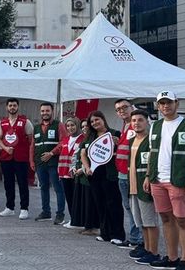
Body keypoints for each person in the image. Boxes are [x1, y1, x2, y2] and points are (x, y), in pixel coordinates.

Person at [145, 91, 185, 270]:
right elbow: (152, 152)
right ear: (158, 106)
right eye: (162, 103)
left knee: (183, 220)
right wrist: (148, 176)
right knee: (166, 218)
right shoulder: (155, 126)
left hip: (179, 180)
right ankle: (172, 258)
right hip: (158, 179)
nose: (165, 106)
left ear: (176, 103)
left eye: (169, 102)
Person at [81, 111, 125, 245]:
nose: (95, 123)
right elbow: (83, 154)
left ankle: (117, 234)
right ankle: (105, 233)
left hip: (110, 174)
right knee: (100, 204)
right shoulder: (89, 136)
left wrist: (117, 144)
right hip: (94, 176)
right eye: (92, 121)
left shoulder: (115, 133)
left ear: (103, 119)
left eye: (97, 120)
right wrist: (87, 168)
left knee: (114, 204)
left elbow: (123, 151)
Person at [127, 109, 162, 265]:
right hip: (133, 187)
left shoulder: (151, 141)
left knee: (150, 222)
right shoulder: (131, 141)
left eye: (140, 120)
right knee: (141, 222)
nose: (136, 123)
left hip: (144, 186)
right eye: (134, 120)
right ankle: (147, 248)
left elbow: (153, 161)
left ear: (147, 122)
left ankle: (153, 252)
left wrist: (148, 177)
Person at [113, 98, 144, 250]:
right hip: (122, 174)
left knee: (136, 208)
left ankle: (139, 239)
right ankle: (134, 238)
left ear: (131, 107)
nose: (122, 111)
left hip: (132, 175)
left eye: (124, 107)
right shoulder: (125, 125)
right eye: (118, 109)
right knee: (129, 207)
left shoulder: (136, 124)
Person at [0, 98, 34, 219]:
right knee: (8, 183)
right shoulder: (2, 122)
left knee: (23, 183)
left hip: (21, 157)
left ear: (18, 107)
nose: (12, 107)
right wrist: (5, 148)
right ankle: (9, 207)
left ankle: (24, 208)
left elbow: (31, 139)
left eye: (14, 105)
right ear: (7, 107)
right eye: (10, 105)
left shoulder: (25, 121)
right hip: (6, 157)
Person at [33, 102, 68, 224]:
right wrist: (32, 161)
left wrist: (52, 153)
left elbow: (63, 142)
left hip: (54, 163)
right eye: (43, 111)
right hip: (40, 164)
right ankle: (46, 212)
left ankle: (60, 214)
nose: (45, 113)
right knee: (43, 187)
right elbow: (32, 146)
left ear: (52, 111)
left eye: (47, 111)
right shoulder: (36, 127)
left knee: (58, 188)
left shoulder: (59, 125)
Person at [57, 117, 83, 228]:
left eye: (72, 125)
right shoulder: (65, 139)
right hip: (64, 173)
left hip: (76, 173)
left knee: (77, 199)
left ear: (77, 126)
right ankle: (73, 219)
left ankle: (79, 220)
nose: (70, 128)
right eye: (68, 126)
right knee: (69, 198)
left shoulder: (83, 138)